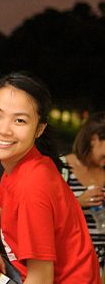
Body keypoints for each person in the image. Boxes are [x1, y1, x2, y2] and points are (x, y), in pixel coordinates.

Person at [0, 72, 100, 284]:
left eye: (19, 120)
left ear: (39, 129)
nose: (3, 129)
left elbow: (41, 279)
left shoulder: (32, 187)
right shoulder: (22, 166)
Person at [61, 112, 105, 276]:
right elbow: (45, 216)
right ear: (94, 139)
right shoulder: (62, 168)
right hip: (72, 265)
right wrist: (78, 202)